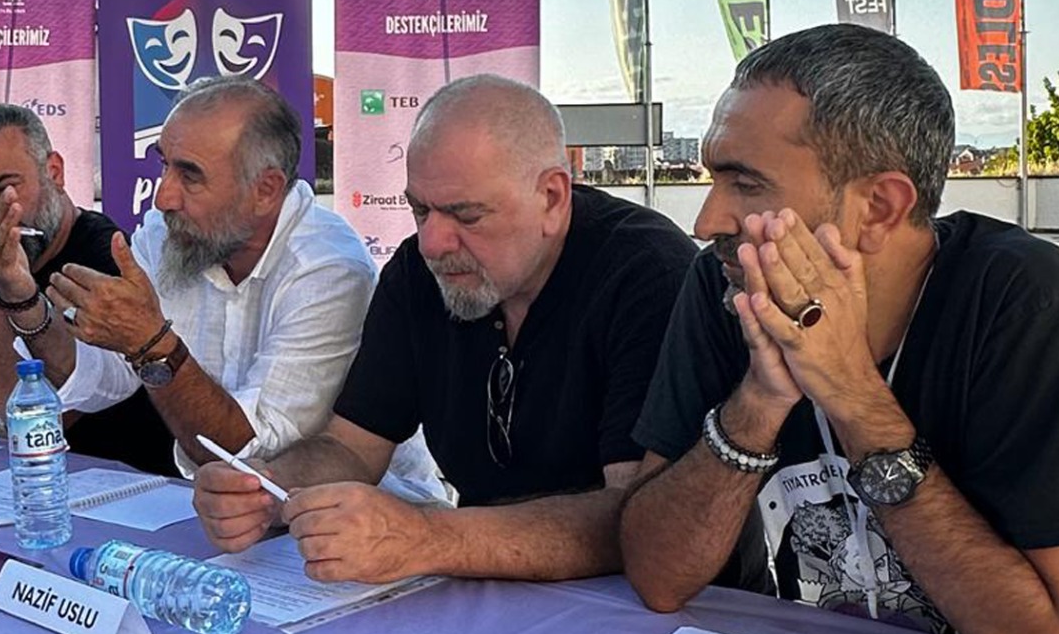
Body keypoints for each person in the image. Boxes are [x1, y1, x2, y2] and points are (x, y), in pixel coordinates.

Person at [617, 24, 1059, 634]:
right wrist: (758, 403)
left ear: (879, 206)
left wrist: (855, 397)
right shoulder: (725, 287)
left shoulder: (1024, 301)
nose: (707, 219)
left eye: (746, 184)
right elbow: (658, 576)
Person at [193, 74, 696, 584]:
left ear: (551, 197)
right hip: (481, 586)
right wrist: (267, 487)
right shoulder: (417, 273)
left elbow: (634, 516)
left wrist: (426, 538)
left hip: (642, 607)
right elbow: (351, 447)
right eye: (420, 209)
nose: (432, 243)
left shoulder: (647, 275)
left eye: (466, 216)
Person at [38, 76, 429, 487]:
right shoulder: (166, 234)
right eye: (164, 165)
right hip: (230, 505)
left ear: (265, 190)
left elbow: (251, 454)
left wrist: (151, 344)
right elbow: (103, 379)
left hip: (365, 510)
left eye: (190, 176)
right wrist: (22, 299)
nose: (162, 198)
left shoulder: (328, 268)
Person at [0, 104, 175, 474]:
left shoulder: (102, 258)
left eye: (3, 189)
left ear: (53, 172)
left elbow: (37, 421)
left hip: (124, 481)